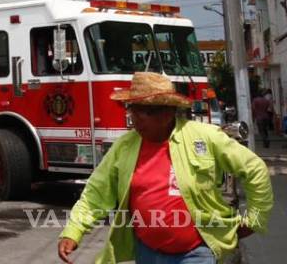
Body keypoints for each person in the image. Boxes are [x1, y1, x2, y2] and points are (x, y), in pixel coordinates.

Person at [58, 71, 273, 264]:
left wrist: (254, 220)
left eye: (143, 111)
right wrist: (73, 231)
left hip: (197, 252)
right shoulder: (124, 147)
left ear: (167, 113)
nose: (134, 118)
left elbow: (255, 169)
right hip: (147, 252)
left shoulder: (203, 136)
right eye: (132, 109)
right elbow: (96, 192)